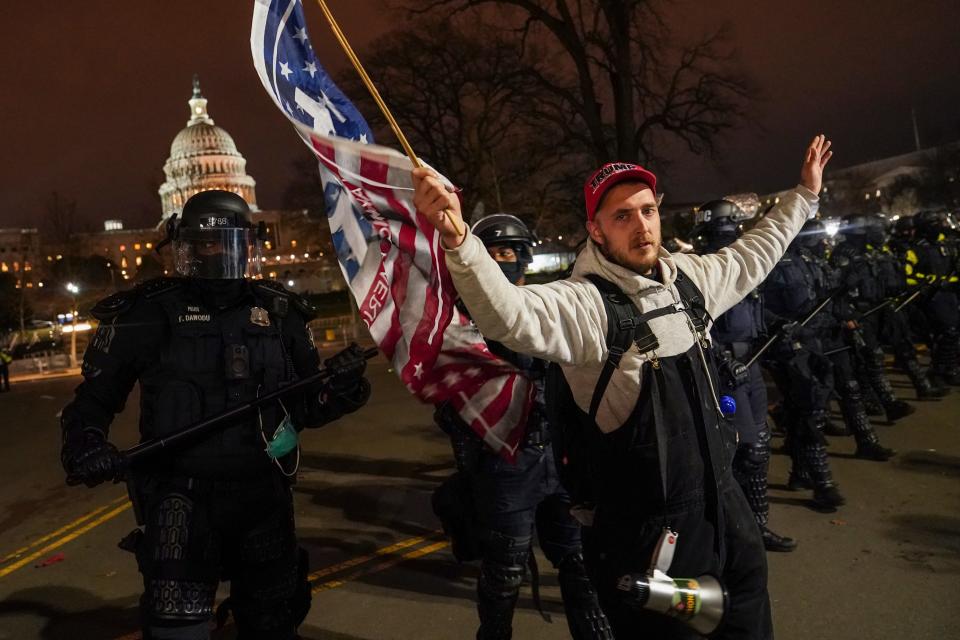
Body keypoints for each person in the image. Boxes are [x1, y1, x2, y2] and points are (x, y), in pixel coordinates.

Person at [413, 135, 833, 639]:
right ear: (595, 229)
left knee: (746, 619)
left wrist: (804, 197)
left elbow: (753, 254)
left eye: (648, 210)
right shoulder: (586, 306)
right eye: (622, 216)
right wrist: (460, 240)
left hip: (725, 509)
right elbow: (510, 315)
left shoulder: (692, 281)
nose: (642, 226)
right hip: (652, 538)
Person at [59, 190, 371, 640]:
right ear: (185, 246)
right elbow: (93, 400)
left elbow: (304, 408)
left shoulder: (280, 312)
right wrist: (86, 443)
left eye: (229, 242)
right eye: (206, 243)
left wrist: (342, 387)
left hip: (262, 496)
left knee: (273, 624)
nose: (218, 253)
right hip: (179, 498)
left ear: (247, 246)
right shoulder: (147, 312)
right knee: (176, 627)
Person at [434, 213, 612, 640]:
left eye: (511, 251)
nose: (504, 259)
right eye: (494, 252)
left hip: (561, 455)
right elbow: (447, 405)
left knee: (579, 562)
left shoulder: (546, 307)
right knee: (505, 570)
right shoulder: (463, 327)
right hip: (506, 463)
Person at [692, 198, 797, 552]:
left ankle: (755, 527)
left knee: (759, 448)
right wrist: (722, 360)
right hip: (724, 373)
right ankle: (734, 532)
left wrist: (779, 328)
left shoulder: (744, 266)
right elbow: (694, 328)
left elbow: (751, 318)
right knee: (740, 452)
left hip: (751, 366)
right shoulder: (701, 270)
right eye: (729, 226)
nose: (734, 232)